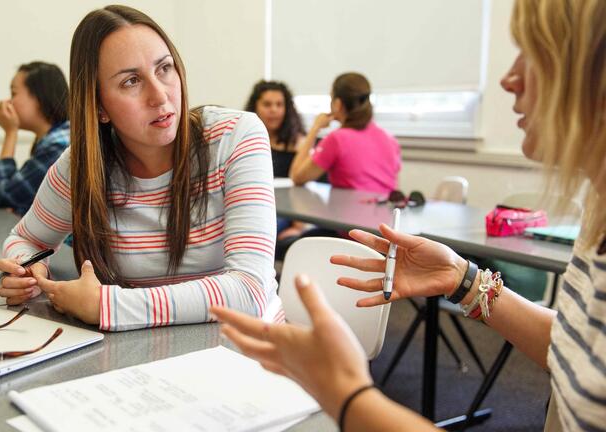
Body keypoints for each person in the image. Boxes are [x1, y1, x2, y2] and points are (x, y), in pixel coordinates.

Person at [213, 0, 606, 430]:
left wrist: (347, 396)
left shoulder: (337, 137)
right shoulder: (596, 221)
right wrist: (463, 278)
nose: (508, 79)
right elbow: (577, 346)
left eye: (533, 52)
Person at [0, 5, 282, 331]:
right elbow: (27, 239)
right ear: (99, 106)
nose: (160, 96)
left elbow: (251, 290)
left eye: (164, 69)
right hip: (142, 355)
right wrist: (26, 270)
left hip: (244, 350)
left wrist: (106, 306)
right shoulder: (83, 165)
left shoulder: (235, 136)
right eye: (131, 81)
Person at [289, 72, 400, 194]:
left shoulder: (336, 139)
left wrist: (315, 128)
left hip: (350, 212)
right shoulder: (390, 139)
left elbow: (297, 177)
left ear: (337, 104)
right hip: (386, 211)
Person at [0, 61, 70, 216]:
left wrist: (10, 133)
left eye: (13, 93)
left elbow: (4, 196)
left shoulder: (59, 146)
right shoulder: (57, 136)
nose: (8, 102)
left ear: (40, 97)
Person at [244, 80, 306, 240]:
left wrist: (298, 228)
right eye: (267, 104)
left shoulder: (298, 143)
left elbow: (303, 190)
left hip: (282, 213)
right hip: (250, 208)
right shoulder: (244, 139)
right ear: (255, 106)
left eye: (279, 104)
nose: (274, 110)